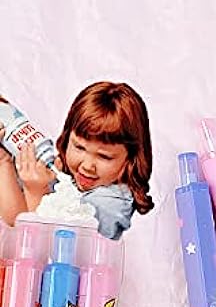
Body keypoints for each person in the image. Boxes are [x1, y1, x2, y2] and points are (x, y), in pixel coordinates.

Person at [0, 82, 153, 239]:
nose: (87, 166)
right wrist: (3, 161)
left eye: (104, 156)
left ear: (131, 159)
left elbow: (43, 247)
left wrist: (37, 192)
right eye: (79, 147)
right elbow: (15, 222)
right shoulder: (70, 180)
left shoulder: (109, 203)